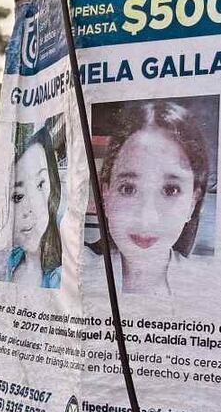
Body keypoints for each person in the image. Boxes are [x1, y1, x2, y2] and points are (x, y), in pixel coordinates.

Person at [88, 101, 210, 296]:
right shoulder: (74, 271)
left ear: (193, 203)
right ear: (106, 194)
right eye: (128, 189)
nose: (147, 219)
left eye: (170, 190)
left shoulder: (206, 288)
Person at [0, 124, 63, 288]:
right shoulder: (6, 261)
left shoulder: (61, 277)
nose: (33, 207)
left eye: (41, 185)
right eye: (18, 196)